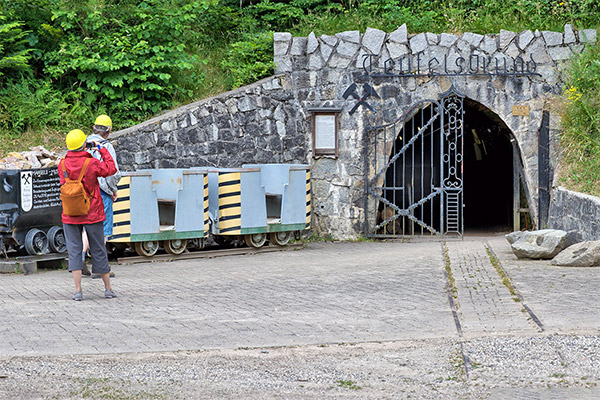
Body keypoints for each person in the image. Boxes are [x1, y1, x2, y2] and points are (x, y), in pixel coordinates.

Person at [58, 128, 117, 301]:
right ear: (84, 144)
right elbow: (111, 169)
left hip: (70, 213)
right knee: (98, 248)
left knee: (75, 250)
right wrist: (100, 149)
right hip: (92, 212)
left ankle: (77, 290)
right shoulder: (91, 163)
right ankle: (107, 289)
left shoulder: (62, 164)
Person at [81, 114, 121, 278]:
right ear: (109, 131)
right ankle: (100, 267)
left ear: (94, 128)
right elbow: (113, 172)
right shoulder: (106, 147)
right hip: (102, 192)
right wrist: (113, 190)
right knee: (102, 229)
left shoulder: (82, 145)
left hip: (84, 192)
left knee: (86, 226)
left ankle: (80, 258)